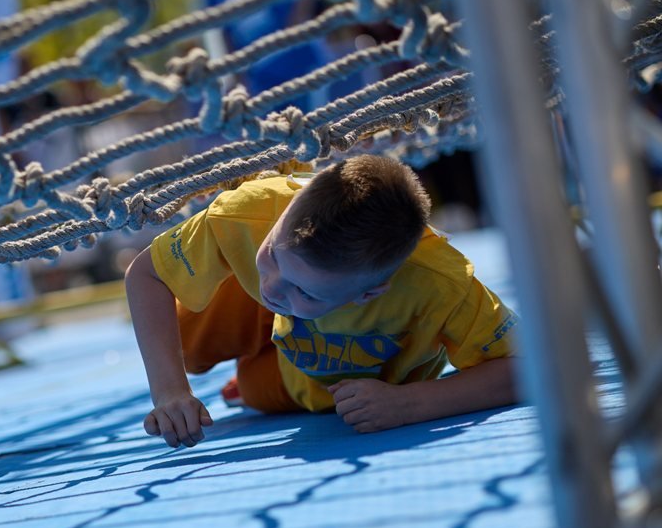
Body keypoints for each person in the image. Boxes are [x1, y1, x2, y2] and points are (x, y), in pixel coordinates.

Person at [125, 155, 519, 448]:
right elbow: (145, 274)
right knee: (187, 344)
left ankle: (251, 371)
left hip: (316, 380)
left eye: (306, 291)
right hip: (253, 307)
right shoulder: (250, 212)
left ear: (369, 294)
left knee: (254, 390)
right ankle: (286, 299)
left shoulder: (439, 284)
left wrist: (408, 404)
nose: (275, 290)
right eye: (274, 254)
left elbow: (526, 367)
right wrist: (169, 390)